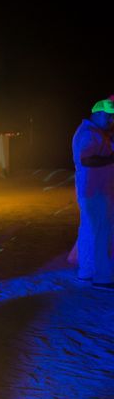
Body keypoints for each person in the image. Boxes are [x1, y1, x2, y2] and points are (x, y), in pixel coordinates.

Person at [72, 99, 114, 291]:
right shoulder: (89, 134)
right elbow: (87, 159)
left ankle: (86, 272)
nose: (111, 119)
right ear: (97, 114)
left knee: (89, 231)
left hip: (91, 191)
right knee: (101, 232)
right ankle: (103, 277)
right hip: (96, 192)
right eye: (108, 116)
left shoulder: (93, 132)